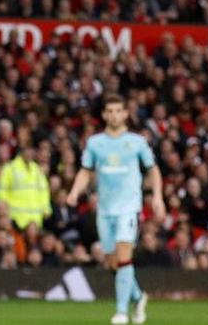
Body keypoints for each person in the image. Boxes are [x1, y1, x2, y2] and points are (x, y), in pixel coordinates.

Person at [66, 94, 166, 325]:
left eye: (118, 110)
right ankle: (138, 297)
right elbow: (85, 171)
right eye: (109, 111)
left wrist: (157, 197)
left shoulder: (137, 142)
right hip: (105, 209)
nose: (114, 115)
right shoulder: (95, 143)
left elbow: (153, 170)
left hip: (129, 208)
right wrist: (74, 191)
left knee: (123, 257)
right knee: (113, 263)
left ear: (124, 114)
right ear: (104, 115)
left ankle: (121, 312)